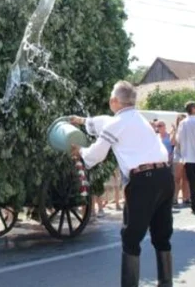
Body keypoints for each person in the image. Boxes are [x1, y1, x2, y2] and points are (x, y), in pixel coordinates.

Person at [69, 81, 173, 287]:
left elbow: (96, 154)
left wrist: (79, 152)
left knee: (131, 238)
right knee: (162, 234)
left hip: (144, 181)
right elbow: (103, 122)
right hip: (164, 177)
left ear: (114, 101)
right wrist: (81, 121)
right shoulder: (137, 118)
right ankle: (166, 282)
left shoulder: (116, 124)